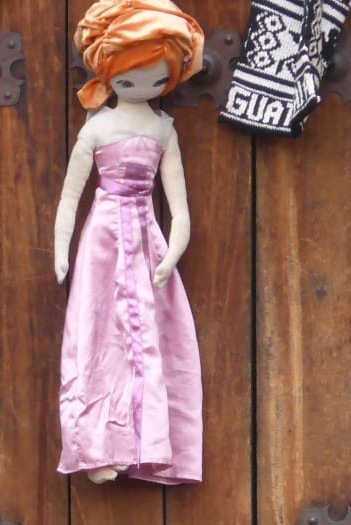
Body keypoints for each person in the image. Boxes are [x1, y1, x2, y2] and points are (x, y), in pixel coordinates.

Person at [53, 0, 205, 486]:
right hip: (101, 241)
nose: (144, 89)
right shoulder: (97, 128)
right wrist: (61, 253)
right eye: (130, 78)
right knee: (95, 337)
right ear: (109, 72)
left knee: (154, 343)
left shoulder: (163, 130)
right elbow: (69, 198)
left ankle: (151, 444)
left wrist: (172, 256)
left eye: (157, 79)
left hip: (146, 240)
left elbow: (180, 209)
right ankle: (95, 448)